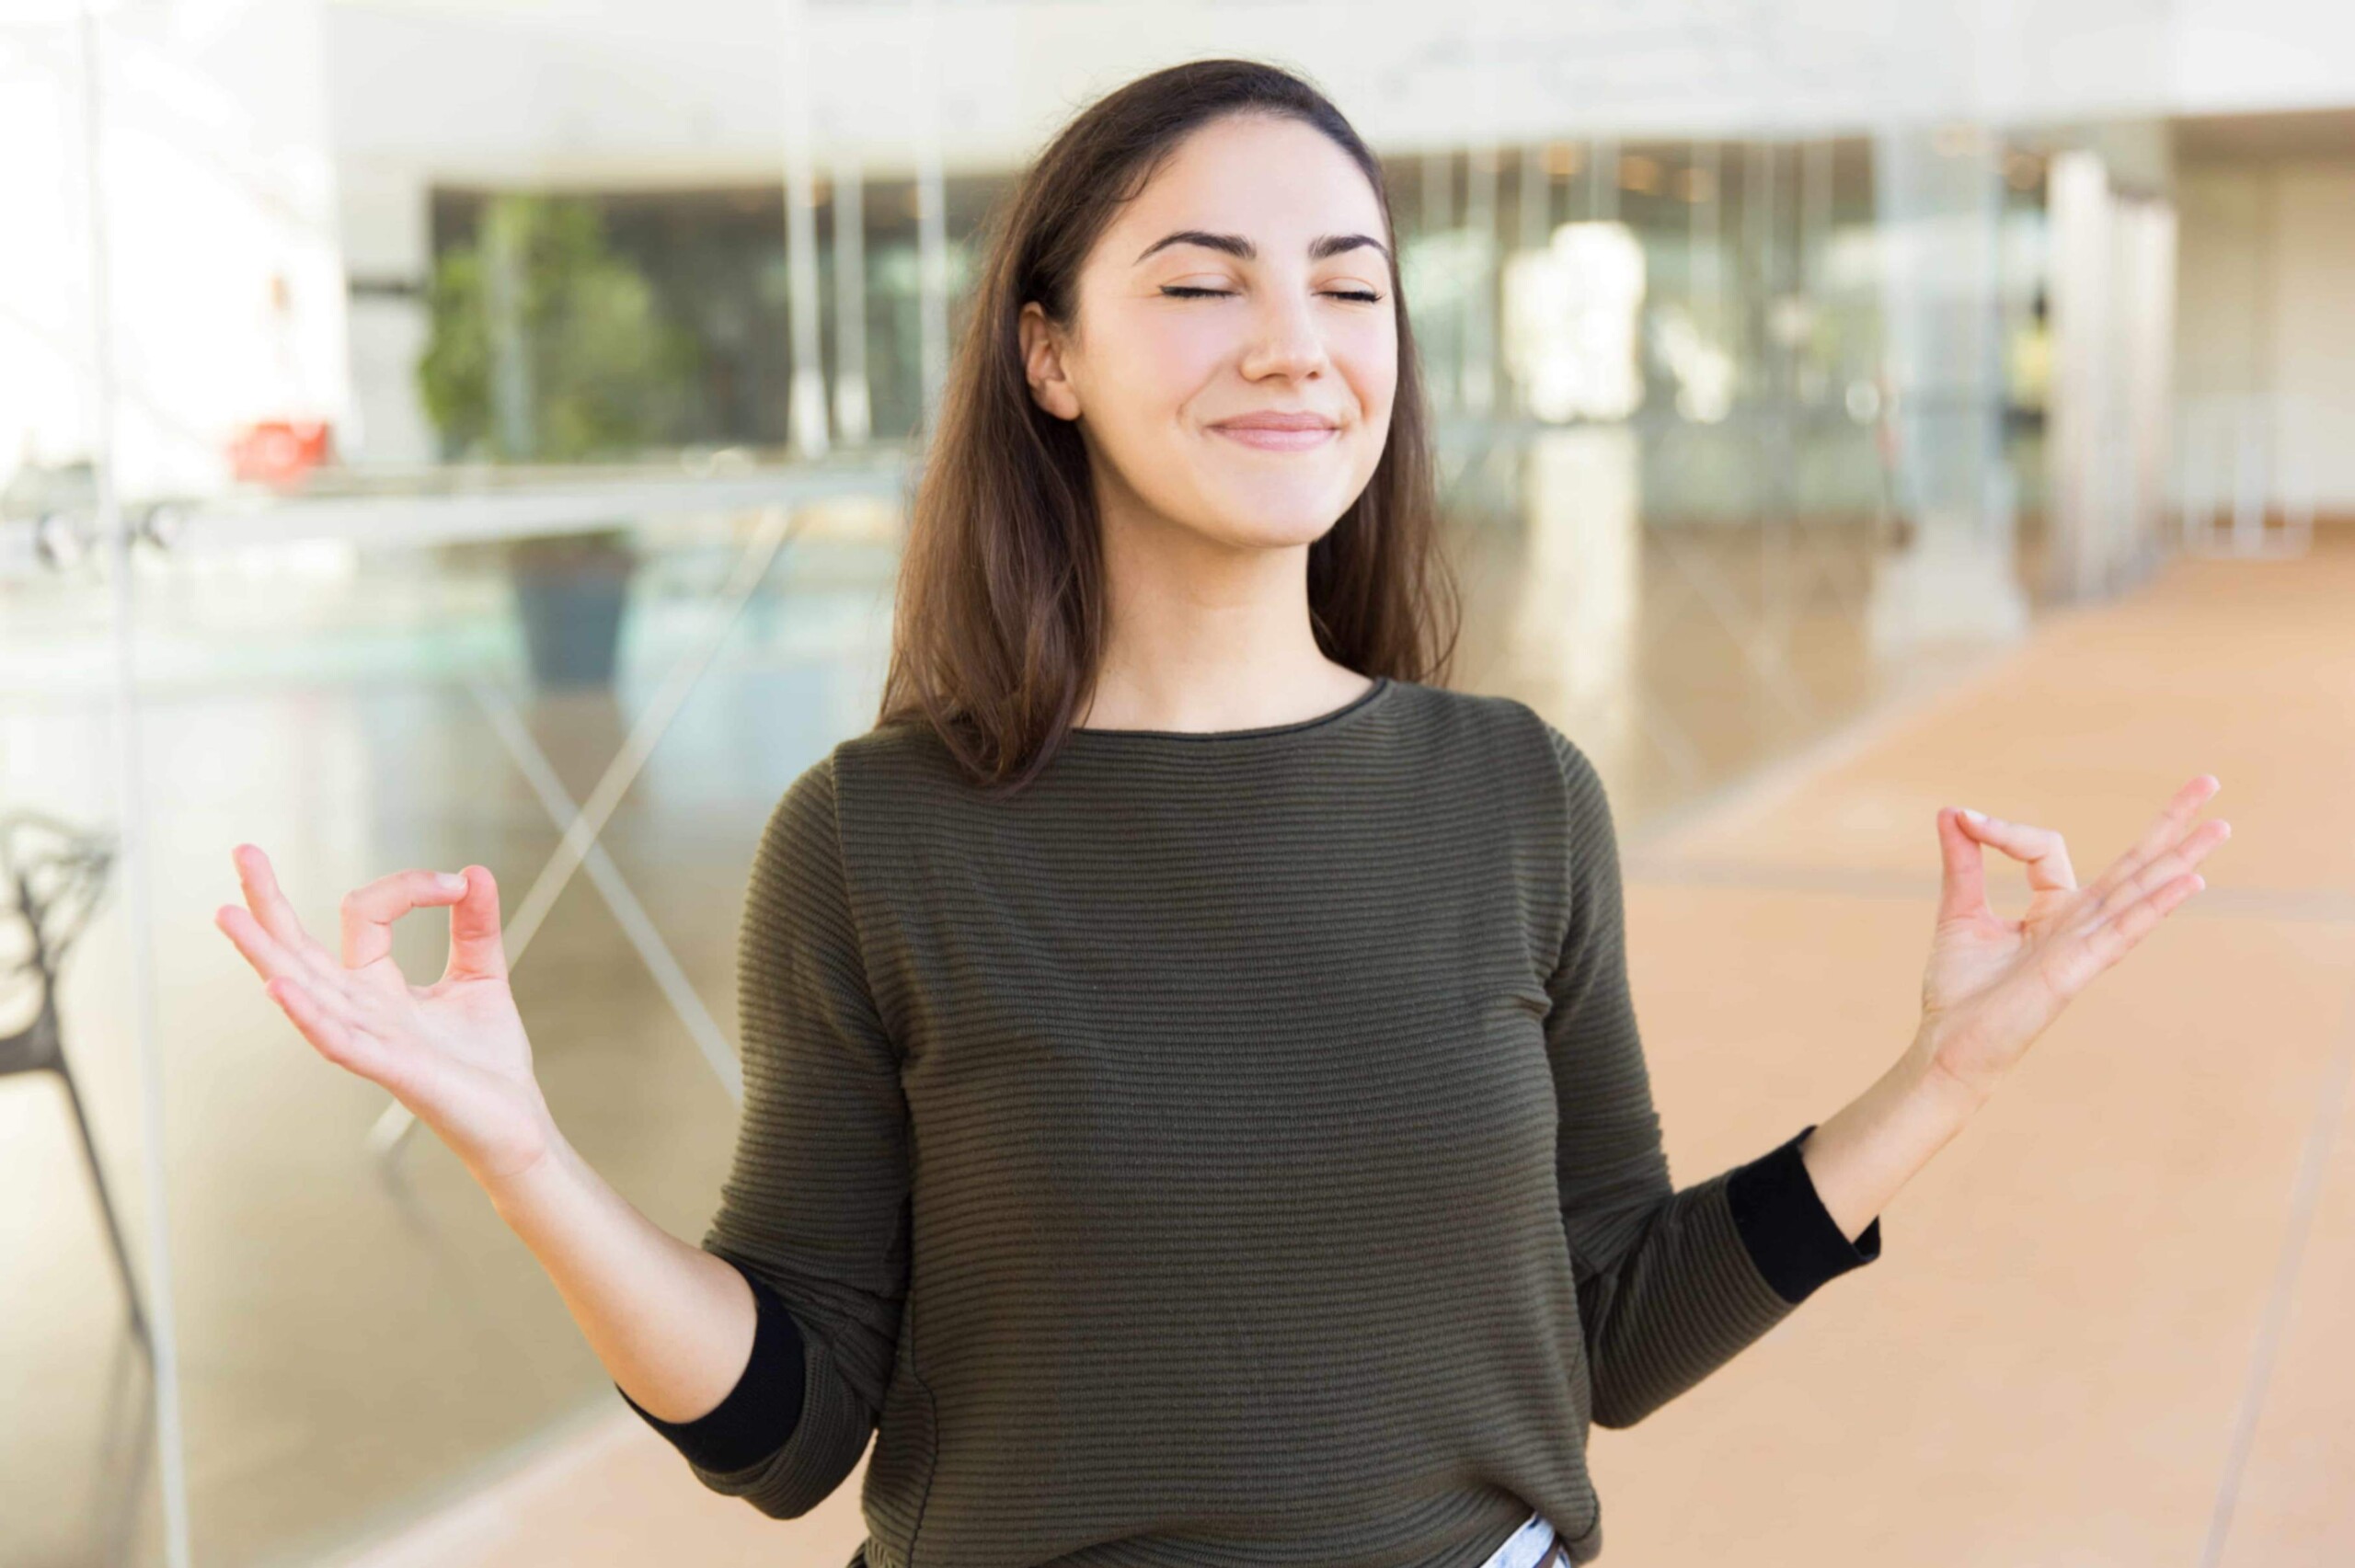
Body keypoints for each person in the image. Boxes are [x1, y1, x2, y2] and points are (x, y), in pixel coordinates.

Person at [213, 58, 2229, 1568]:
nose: (1294, 344)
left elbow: (1606, 1328)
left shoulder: (1513, 793)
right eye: (1200, 284)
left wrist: (1943, 1073)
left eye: (1351, 288)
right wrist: (526, 1157)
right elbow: (791, 1431)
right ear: (1049, 353)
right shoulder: (875, 839)